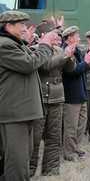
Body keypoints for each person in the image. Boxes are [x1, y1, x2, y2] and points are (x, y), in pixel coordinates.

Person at [0, 10, 57, 180]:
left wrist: (30, 44)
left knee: (22, 158)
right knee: (16, 163)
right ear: (9, 26)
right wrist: (45, 44)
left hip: (22, 112)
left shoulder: (15, 44)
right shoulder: (4, 45)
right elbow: (30, 64)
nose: (25, 28)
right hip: (14, 114)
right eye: (22, 25)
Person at [30, 19, 76, 176]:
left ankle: (51, 170)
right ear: (43, 35)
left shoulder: (59, 50)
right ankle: (29, 171)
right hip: (41, 99)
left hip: (57, 98)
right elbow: (45, 66)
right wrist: (65, 56)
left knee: (54, 136)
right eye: (54, 35)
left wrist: (70, 56)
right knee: (35, 138)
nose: (58, 38)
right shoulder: (35, 49)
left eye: (58, 35)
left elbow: (70, 69)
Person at [62, 26, 90, 161]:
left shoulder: (76, 50)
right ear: (69, 38)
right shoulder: (66, 51)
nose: (79, 37)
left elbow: (81, 68)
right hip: (72, 95)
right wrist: (87, 63)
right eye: (76, 35)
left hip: (81, 93)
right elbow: (72, 71)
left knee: (80, 124)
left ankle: (76, 147)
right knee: (71, 127)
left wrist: (88, 63)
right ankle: (69, 153)